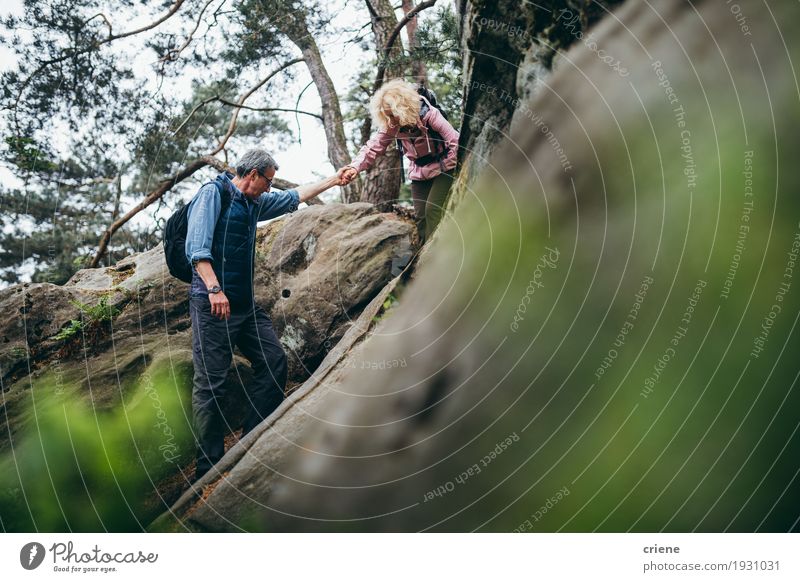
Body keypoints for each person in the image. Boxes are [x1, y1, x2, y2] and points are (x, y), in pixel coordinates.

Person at [185, 148, 344, 481]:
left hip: (244, 305)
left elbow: (291, 197)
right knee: (211, 385)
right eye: (267, 181)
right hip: (211, 303)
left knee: (274, 361)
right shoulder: (212, 194)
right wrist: (215, 290)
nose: (269, 189)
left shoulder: (254, 202)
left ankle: (250, 443)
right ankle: (207, 469)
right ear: (253, 175)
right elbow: (196, 248)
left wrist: (334, 179)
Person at [340, 79, 459, 242]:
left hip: (444, 166)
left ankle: (437, 255)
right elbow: (372, 147)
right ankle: (423, 254)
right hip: (419, 172)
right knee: (421, 217)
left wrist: (452, 164)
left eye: (391, 114)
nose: (389, 120)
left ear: (403, 108)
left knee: (432, 210)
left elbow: (455, 140)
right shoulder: (391, 125)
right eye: (385, 115)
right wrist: (354, 167)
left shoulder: (429, 114)